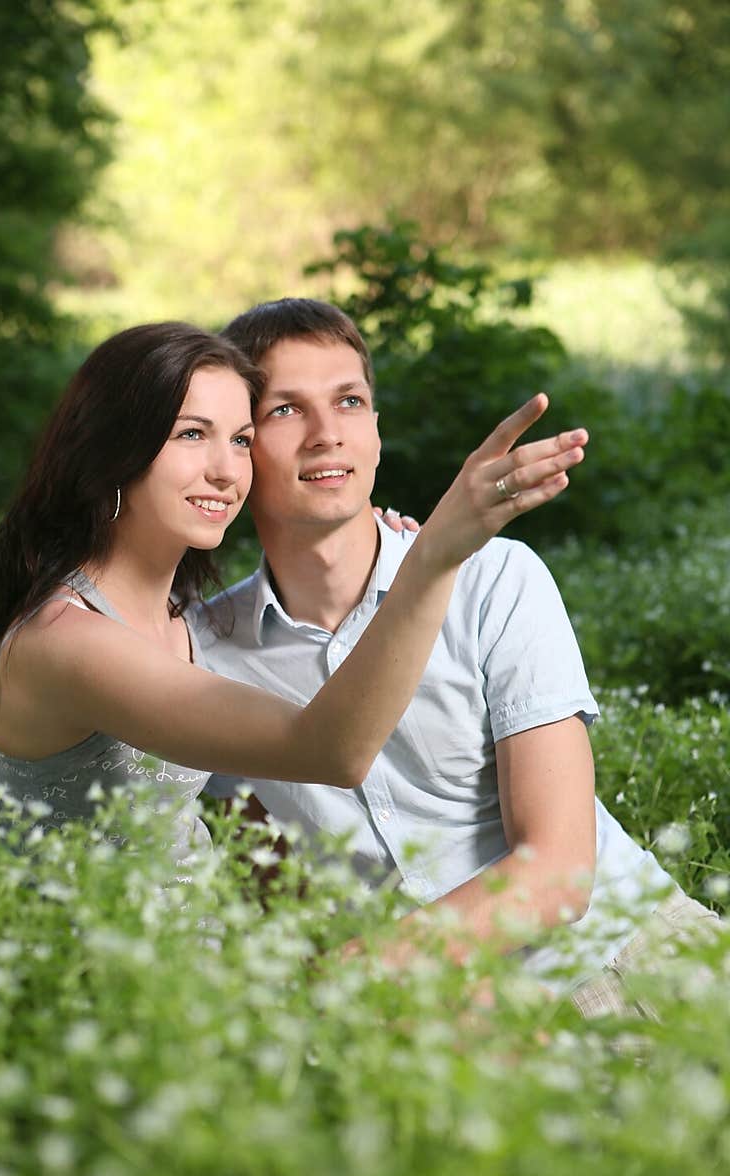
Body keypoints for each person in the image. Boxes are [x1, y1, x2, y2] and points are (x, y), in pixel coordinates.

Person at [190, 299, 717, 1014]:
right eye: (286, 411)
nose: (326, 435)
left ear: (377, 431)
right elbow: (273, 882)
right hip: (438, 1018)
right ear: (242, 446)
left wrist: (345, 981)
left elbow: (558, 872)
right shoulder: (207, 650)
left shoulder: (495, 577)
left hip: (627, 958)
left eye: (350, 401)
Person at [0, 321, 582, 879]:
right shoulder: (65, 639)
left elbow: (262, 852)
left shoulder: (195, 629)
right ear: (110, 451)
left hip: (202, 967)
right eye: (190, 435)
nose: (224, 471)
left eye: (239, 440)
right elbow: (330, 751)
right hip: (94, 979)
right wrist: (434, 558)